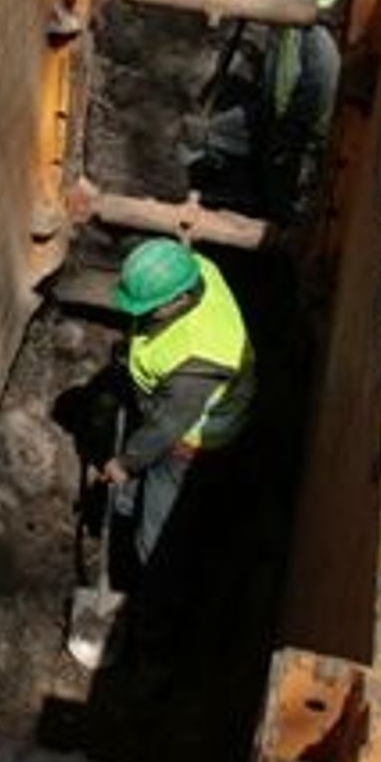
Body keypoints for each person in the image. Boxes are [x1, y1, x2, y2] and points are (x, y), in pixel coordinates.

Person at [99, 237, 255, 596]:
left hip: (190, 438)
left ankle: (151, 598)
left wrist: (125, 462)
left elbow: (169, 425)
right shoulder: (193, 267)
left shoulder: (201, 356)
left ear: (181, 299)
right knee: (140, 466)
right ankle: (127, 501)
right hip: (164, 406)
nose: (138, 315)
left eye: (149, 309)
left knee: (157, 529)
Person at [188, 0, 351, 224]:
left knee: (283, 197)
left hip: (300, 133)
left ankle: (274, 232)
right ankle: (231, 190)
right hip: (272, 109)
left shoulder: (326, 17)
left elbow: (321, 91)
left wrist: (288, 136)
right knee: (206, 135)